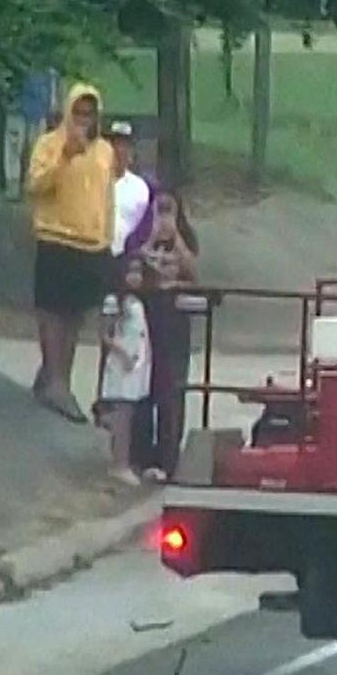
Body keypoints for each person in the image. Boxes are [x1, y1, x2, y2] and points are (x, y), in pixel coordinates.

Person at [25, 82, 116, 424]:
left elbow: (107, 199)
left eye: (89, 114)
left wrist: (106, 238)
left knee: (76, 314)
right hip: (56, 238)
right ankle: (55, 381)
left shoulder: (104, 151)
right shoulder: (50, 144)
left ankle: (58, 375)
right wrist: (65, 156)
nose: (83, 119)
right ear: (68, 112)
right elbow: (35, 185)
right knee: (52, 312)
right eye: (78, 112)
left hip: (91, 243)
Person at [136, 189, 200, 481]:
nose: (163, 217)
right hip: (146, 315)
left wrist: (176, 238)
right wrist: (151, 237)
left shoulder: (186, 239)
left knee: (172, 388)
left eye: (168, 210)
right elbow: (135, 265)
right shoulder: (142, 236)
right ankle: (140, 453)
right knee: (144, 385)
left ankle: (168, 457)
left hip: (175, 319)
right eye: (158, 210)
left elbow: (192, 271)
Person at [96, 259, 152, 485]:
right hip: (122, 363)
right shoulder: (113, 301)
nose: (136, 276)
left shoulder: (136, 300)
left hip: (137, 363)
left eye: (139, 272)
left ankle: (124, 461)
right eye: (131, 271)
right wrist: (123, 353)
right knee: (122, 414)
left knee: (129, 414)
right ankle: (119, 464)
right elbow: (105, 335)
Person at [107, 121, 155, 259]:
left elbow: (146, 227)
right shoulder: (92, 181)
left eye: (124, 145)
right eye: (114, 144)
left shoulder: (140, 188)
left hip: (127, 257)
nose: (118, 150)